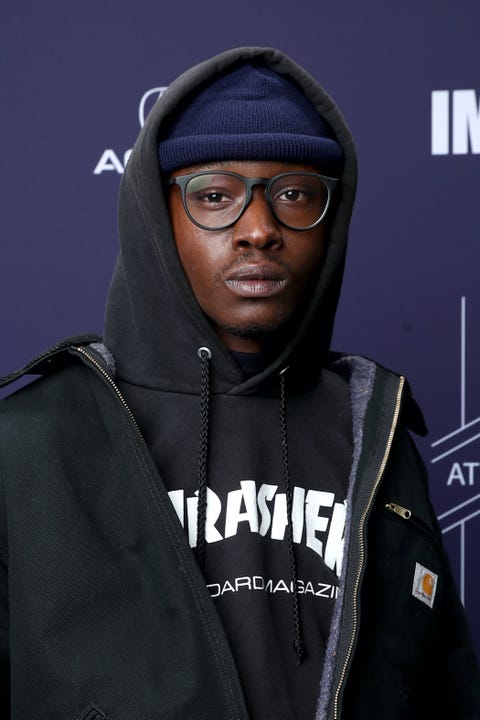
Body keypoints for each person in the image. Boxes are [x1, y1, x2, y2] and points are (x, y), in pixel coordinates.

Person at [0, 46, 479, 720]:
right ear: (156, 217)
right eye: (215, 196)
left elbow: (442, 689)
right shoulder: (31, 446)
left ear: (330, 222)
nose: (259, 229)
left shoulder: (378, 434)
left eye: (294, 194)